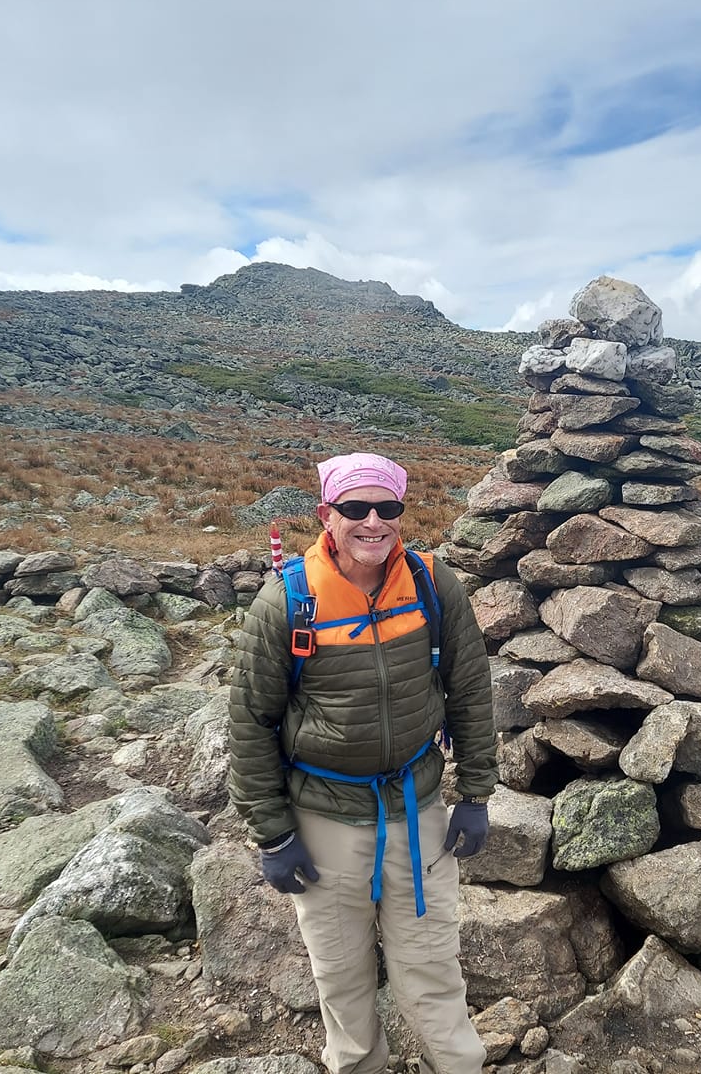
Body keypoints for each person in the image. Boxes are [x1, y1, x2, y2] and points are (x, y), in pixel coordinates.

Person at [229, 451, 498, 1074]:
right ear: (328, 515)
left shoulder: (432, 583)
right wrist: (273, 835)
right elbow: (250, 721)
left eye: (388, 508)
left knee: (431, 968)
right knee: (342, 977)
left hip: (418, 807)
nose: (373, 521)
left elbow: (471, 689)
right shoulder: (288, 601)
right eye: (356, 508)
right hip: (323, 817)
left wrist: (477, 793)